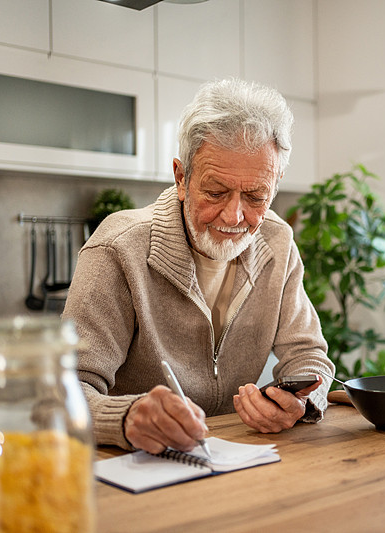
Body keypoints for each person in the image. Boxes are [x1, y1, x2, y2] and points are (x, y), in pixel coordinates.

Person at [62, 78, 333, 454]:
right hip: (128, 468)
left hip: (233, 459)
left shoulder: (277, 242)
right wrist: (124, 417)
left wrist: (301, 401)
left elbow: (310, 356)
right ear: (181, 178)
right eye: (216, 192)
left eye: (256, 196)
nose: (234, 215)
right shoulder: (118, 248)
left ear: (275, 183)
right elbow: (63, 390)